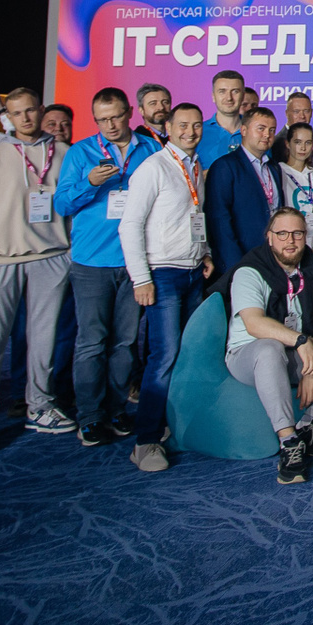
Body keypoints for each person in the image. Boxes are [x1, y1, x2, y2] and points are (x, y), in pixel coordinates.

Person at [222, 209, 313, 483]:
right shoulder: (250, 271)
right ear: (269, 237)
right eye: (282, 234)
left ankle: (308, 425)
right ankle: (288, 441)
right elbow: (254, 324)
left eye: (297, 234)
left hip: (297, 351)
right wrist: (301, 342)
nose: (290, 241)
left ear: (306, 236)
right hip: (250, 355)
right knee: (269, 348)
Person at [0, 89, 74, 451]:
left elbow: (74, 206)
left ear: (40, 111)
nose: (25, 118)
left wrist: (70, 254)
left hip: (52, 256)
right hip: (2, 260)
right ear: (7, 117)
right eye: (16, 113)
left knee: (44, 340)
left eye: (30, 110)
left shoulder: (64, 153)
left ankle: (40, 406)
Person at [52, 87, 157, 447]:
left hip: (135, 261)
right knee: (92, 342)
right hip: (92, 261)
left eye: (115, 117)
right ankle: (90, 416)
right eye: (101, 120)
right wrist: (89, 183)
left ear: (129, 113)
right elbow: (62, 204)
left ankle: (115, 409)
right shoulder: (81, 153)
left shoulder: (151, 149)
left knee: (125, 343)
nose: (110, 125)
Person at [118, 103, 215, 471]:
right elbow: (130, 225)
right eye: (183, 125)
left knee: (188, 353)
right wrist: (141, 278)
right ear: (169, 128)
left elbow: (194, 216)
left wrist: (204, 252)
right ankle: (145, 441)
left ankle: (174, 424)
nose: (191, 132)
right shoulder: (153, 167)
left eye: (196, 125)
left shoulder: (195, 167)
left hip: (192, 271)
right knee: (164, 356)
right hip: (162, 273)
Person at [203, 107, 285, 279]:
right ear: (244, 130)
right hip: (240, 261)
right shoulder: (224, 166)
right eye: (261, 128)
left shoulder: (274, 168)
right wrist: (235, 266)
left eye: (272, 130)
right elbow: (219, 222)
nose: (267, 135)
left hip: (272, 260)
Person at [275, 122, 313, 262]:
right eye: (298, 142)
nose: (303, 148)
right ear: (287, 144)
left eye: (308, 142)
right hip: (288, 255)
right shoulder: (278, 174)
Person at [197, 71, 246, 168]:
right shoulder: (197, 132)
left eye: (235, 91)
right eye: (222, 91)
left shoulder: (256, 132)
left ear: (243, 96)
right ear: (213, 96)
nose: (229, 98)